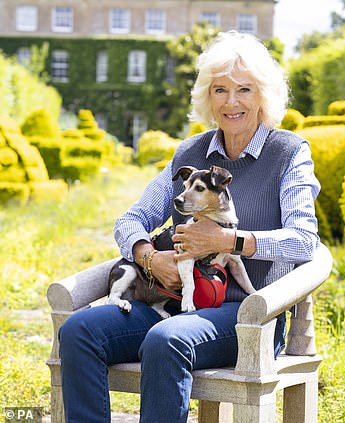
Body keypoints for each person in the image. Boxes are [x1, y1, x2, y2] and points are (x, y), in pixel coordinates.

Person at [58, 30, 320, 422]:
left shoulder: (289, 153)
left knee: (167, 341)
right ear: (207, 97)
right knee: (79, 332)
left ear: (263, 95)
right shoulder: (190, 153)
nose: (231, 102)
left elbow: (304, 242)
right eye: (220, 90)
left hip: (249, 315)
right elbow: (131, 220)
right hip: (174, 303)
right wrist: (148, 259)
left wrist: (229, 240)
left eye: (244, 90)